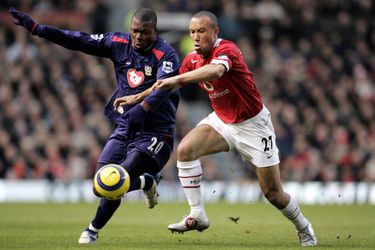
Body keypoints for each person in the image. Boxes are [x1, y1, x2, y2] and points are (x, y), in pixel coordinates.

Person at [118, 10, 317, 247]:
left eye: (201, 31)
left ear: (215, 32)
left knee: (273, 194)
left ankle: (304, 228)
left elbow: (216, 71)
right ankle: (198, 215)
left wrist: (179, 80)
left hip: (254, 126)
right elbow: (165, 84)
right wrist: (137, 97)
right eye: (192, 32)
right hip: (223, 121)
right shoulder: (191, 59)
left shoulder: (227, 50)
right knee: (186, 150)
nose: (196, 36)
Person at [9, 7, 180, 244]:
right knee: (100, 184)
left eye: (145, 32)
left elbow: (164, 87)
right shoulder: (118, 42)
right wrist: (39, 29)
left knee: (116, 179)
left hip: (155, 132)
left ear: (155, 31)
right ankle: (147, 181)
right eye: (135, 31)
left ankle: (92, 230)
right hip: (126, 125)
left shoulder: (166, 54)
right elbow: (79, 40)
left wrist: (143, 109)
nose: (139, 37)